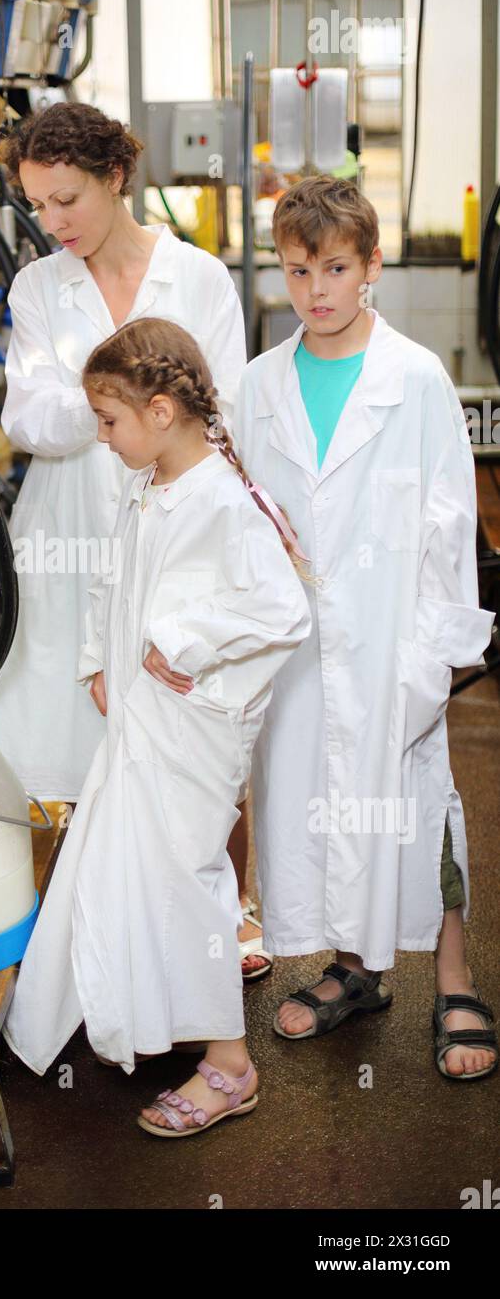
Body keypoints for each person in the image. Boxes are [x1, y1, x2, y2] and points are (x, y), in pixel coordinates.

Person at [0, 103, 271, 976]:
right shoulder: (38, 286)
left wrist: (99, 400)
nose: (51, 221)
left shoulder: (200, 278)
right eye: (38, 204)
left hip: (179, 528)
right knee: (62, 736)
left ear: (115, 179)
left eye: (66, 199)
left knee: (202, 729)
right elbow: (27, 419)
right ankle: (92, 931)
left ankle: (231, 915)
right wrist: (125, 402)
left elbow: (222, 416)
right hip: (65, 538)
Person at [1, 318, 312, 1135]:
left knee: (187, 883)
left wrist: (185, 644)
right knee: (122, 866)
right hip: (143, 720)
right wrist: (100, 660)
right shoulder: (149, 483)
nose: (101, 437)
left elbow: (281, 607)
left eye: (110, 421)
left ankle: (230, 1066)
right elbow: (113, 578)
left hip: (193, 730)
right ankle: (125, 1012)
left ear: (164, 411)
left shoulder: (222, 496)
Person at [233, 175, 498, 1080]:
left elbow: (448, 526)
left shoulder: (416, 380)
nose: (317, 291)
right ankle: (355, 971)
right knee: (319, 807)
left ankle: (456, 980)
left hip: (393, 647)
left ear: (371, 265)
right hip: (300, 656)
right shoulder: (258, 387)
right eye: (300, 270)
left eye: (337, 268)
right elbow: (246, 524)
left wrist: (430, 661)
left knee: (419, 809)